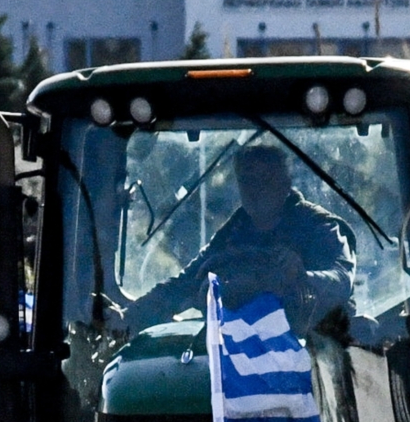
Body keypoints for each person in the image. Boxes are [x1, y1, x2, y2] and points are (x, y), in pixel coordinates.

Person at [122, 139, 356, 331]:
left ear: (285, 183)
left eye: (265, 180)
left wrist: (302, 277)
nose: (256, 190)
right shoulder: (232, 234)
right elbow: (185, 284)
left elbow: (342, 281)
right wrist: (127, 317)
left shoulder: (317, 227)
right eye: (247, 181)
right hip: (239, 349)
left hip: (312, 351)